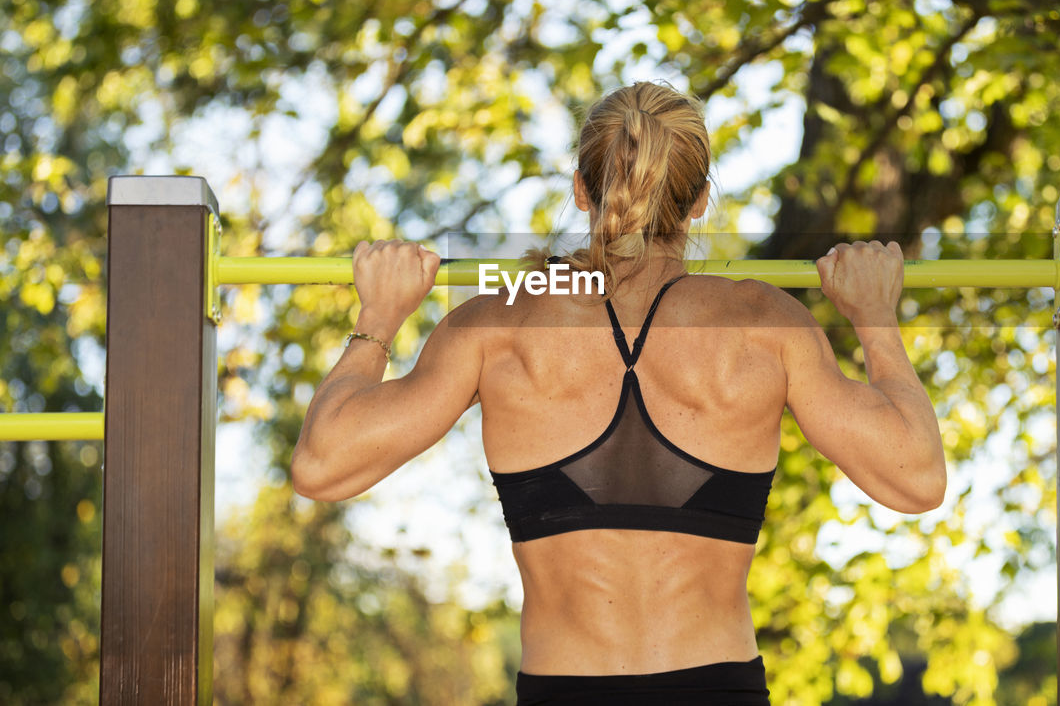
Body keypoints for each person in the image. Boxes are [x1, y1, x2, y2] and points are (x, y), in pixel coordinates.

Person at [291, 81, 946, 705]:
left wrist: (378, 315)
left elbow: (322, 464)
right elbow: (916, 478)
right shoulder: (762, 323)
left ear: (582, 189)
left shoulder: (503, 322)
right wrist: (874, 317)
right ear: (698, 201)